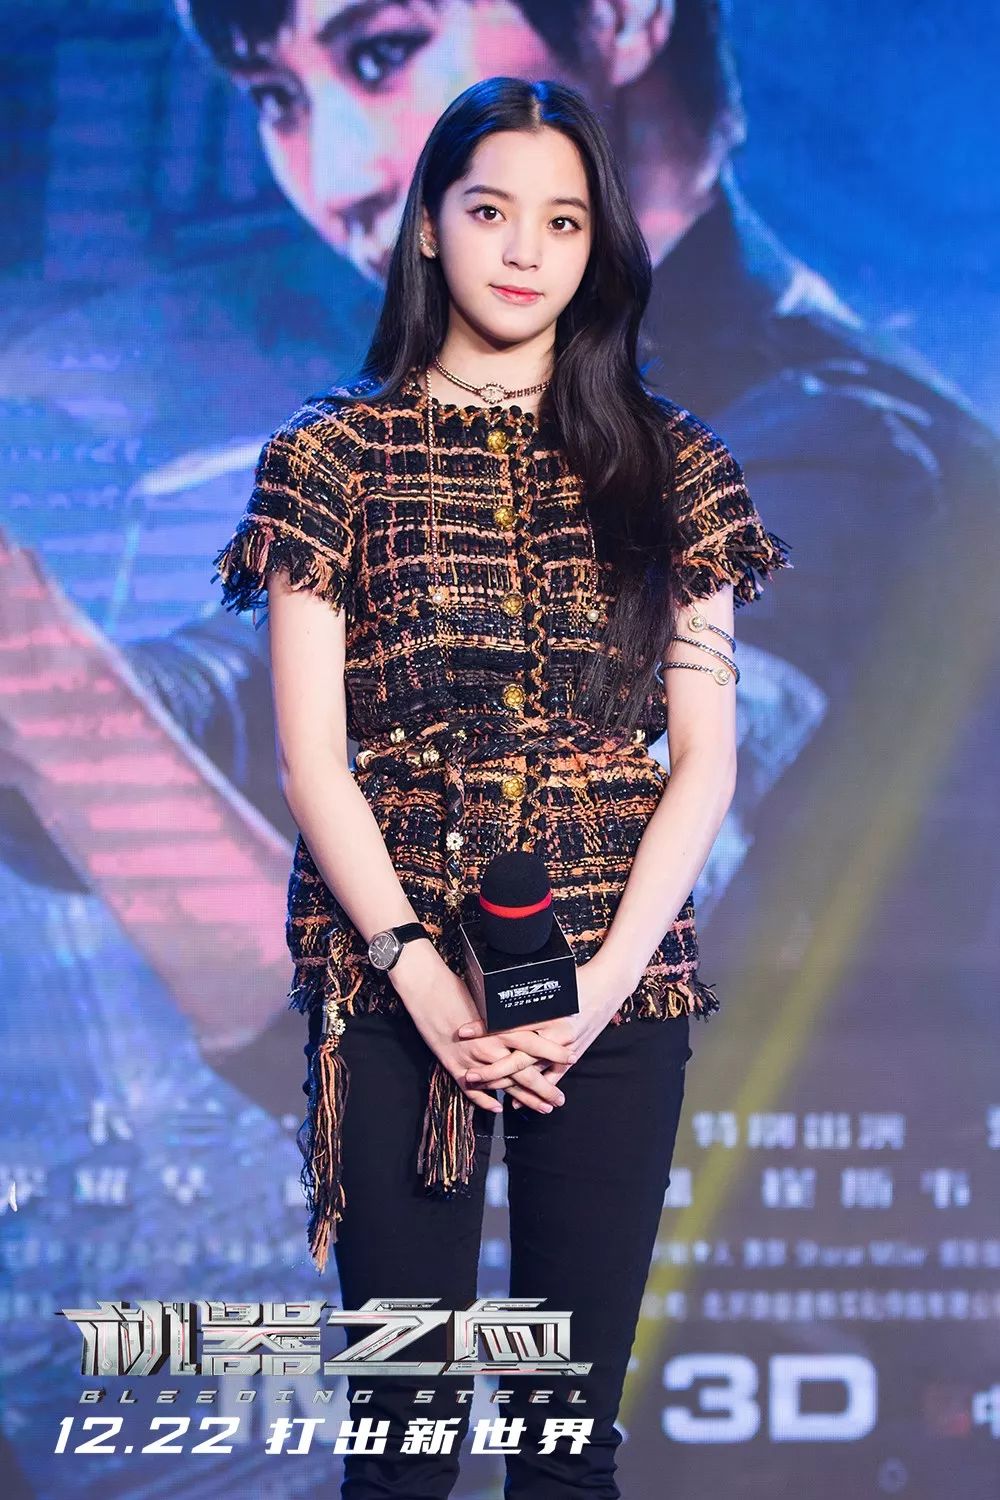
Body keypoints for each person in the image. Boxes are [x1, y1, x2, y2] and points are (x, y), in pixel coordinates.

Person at [211, 76, 790, 1499]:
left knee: (565, 1445)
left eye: (564, 221)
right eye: (490, 211)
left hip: (614, 982)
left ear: (600, 245)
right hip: (392, 981)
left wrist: (595, 993)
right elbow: (312, 760)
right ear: (428, 226)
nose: (526, 250)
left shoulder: (677, 468)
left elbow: (703, 762)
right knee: (403, 1444)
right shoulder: (329, 461)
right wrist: (424, 984)